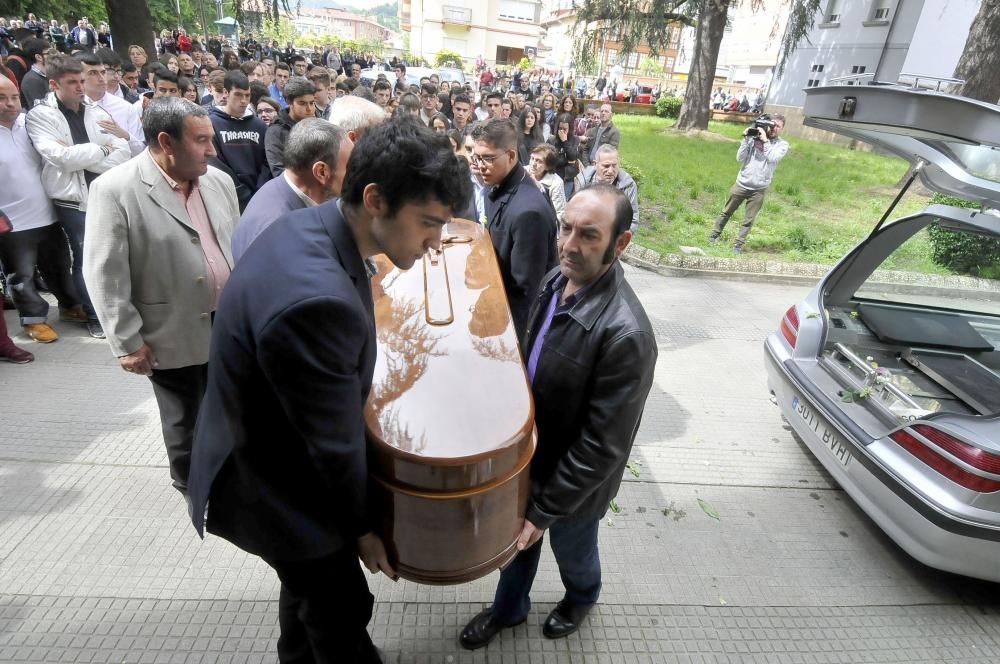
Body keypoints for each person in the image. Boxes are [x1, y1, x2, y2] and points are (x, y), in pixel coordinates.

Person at [187, 117, 471, 664]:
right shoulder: (316, 300)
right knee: (339, 605)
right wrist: (364, 528)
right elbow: (332, 446)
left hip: (263, 452)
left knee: (309, 591)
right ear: (376, 199)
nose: (436, 243)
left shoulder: (314, 224)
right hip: (270, 485)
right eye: (429, 224)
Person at [459, 185, 656, 650]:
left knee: (573, 550)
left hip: (574, 487)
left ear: (620, 243)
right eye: (565, 228)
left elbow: (601, 446)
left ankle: (582, 597)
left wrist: (545, 509)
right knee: (515, 546)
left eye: (588, 235)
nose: (568, 245)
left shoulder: (627, 334)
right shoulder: (555, 280)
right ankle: (509, 611)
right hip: (527, 459)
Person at [84, 96, 240, 497]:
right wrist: (126, 342)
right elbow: (105, 272)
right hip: (168, 331)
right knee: (184, 417)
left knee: (227, 404)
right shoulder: (115, 189)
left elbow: (235, 245)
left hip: (226, 321)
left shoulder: (218, 181)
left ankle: (227, 470)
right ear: (166, 142)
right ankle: (192, 485)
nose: (213, 150)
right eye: (202, 140)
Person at [25, 53, 130, 339]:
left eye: (82, 80)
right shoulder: (40, 116)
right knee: (86, 257)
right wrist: (102, 150)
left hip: (105, 191)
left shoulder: (96, 112)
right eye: (72, 82)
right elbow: (61, 158)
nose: (80, 87)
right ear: (53, 84)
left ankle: (115, 310)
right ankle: (94, 315)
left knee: (114, 255)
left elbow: (124, 152)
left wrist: (90, 154)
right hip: (72, 200)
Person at [0, 74, 83, 344]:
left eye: (14, 97)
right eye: (2, 98)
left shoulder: (29, 124)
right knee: (21, 274)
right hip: (12, 221)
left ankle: (70, 306)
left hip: (48, 211)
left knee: (59, 265)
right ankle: (33, 319)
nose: (11, 104)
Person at [471, 118, 558, 339]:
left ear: (511, 156)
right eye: (477, 157)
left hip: (514, 325)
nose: (481, 165)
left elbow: (526, 293)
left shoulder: (529, 212)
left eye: (488, 158)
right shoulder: (498, 186)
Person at [231, 119, 351, 262]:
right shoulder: (281, 231)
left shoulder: (279, 189)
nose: (356, 176)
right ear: (321, 172)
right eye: (351, 168)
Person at [709, 115, 788, 253]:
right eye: (772, 124)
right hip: (741, 184)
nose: (774, 127)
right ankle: (714, 235)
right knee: (726, 212)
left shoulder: (782, 144)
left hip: (759, 189)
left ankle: (738, 245)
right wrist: (746, 140)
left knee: (748, 220)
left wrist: (765, 141)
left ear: (782, 129)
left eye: (778, 126)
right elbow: (739, 157)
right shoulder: (753, 137)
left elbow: (772, 158)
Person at [208, 71, 271, 212]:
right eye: (238, 94)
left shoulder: (259, 125)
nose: (243, 100)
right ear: (226, 92)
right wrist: (241, 193)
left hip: (259, 197)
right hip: (226, 197)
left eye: (247, 95)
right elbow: (215, 162)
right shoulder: (212, 123)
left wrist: (260, 191)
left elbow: (267, 161)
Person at [78, 53, 145, 157]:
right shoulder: (73, 106)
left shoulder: (125, 107)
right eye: (93, 73)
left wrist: (124, 135)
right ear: (79, 76)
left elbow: (141, 151)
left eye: (103, 72)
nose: (101, 78)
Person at [573, 145, 639, 234]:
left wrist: (619, 240)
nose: (611, 171)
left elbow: (633, 220)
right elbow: (575, 212)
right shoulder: (583, 181)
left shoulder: (628, 185)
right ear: (595, 164)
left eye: (614, 165)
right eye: (606, 166)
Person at [265, 77, 315, 177]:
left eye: (312, 103)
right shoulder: (276, 131)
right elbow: (278, 170)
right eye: (302, 103)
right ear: (289, 102)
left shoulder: (318, 124)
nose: (309, 108)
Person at [528, 143, 567, 221]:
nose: (533, 164)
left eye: (539, 161)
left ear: (548, 166)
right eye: (532, 158)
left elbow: (560, 214)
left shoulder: (556, 183)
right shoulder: (523, 172)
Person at [548, 113, 580, 200]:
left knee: (564, 201)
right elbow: (552, 160)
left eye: (565, 129)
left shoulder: (575, 140)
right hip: (554, 176)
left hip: (568, 178)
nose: (562, 131)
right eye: (560, 128)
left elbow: (573, 156)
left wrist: (565, 141)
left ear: (570, 129)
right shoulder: (552, 140)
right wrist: (566, 161)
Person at [18, 37, 50, 109]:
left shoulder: (46, 74)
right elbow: (43, 109)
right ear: (38, 57)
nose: (53, 55)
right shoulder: (32, 80)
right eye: (48, 53)